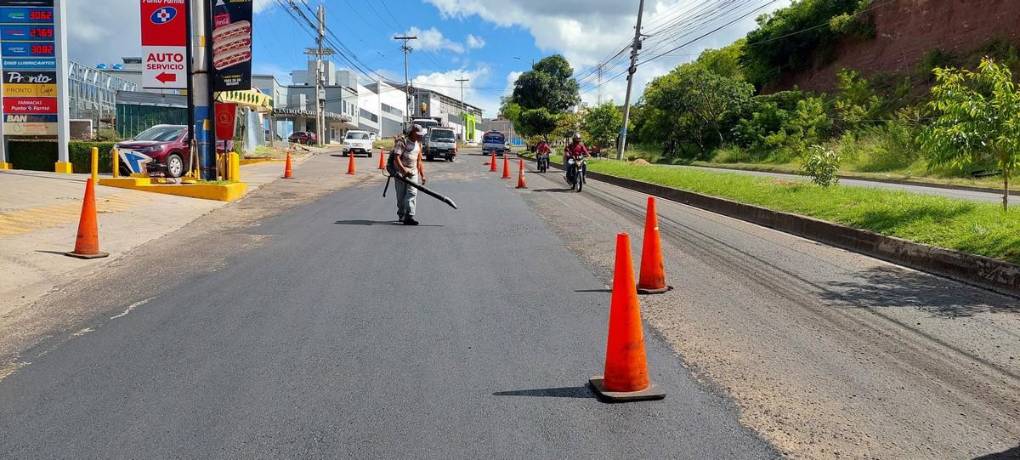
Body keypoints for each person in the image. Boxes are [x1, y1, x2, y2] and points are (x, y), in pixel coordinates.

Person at [389, 124, 428, 225]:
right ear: (412, 132)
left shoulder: (419, 145)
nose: (420, 136)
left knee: (412, 194)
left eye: (421, 134)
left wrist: (422, 175)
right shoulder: (402, 143)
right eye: (418, 134)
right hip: (400, 174)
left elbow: (419, 161)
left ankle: (409, 216)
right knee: (401, 196)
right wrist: (403, 171)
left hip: (413, 173)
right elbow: (397, 158)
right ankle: (401, 215)